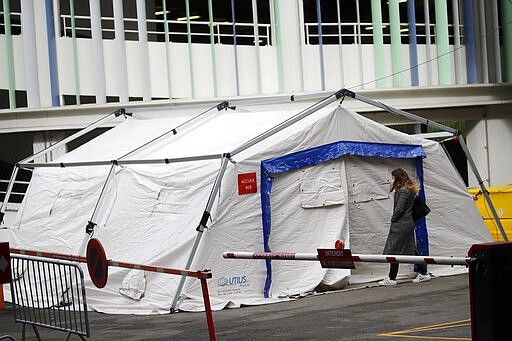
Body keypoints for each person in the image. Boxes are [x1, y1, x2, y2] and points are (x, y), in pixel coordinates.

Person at [378, 168, 431, 286]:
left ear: (397, 178)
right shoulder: (407, 190)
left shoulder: (402, 191)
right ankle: (423, 273)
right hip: (406, 223)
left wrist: (393, 218)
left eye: (392, 178)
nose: (391, 180)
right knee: (410, 249)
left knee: (393, 250)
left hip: (400, 224)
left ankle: (392, 278)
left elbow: (400, 209)